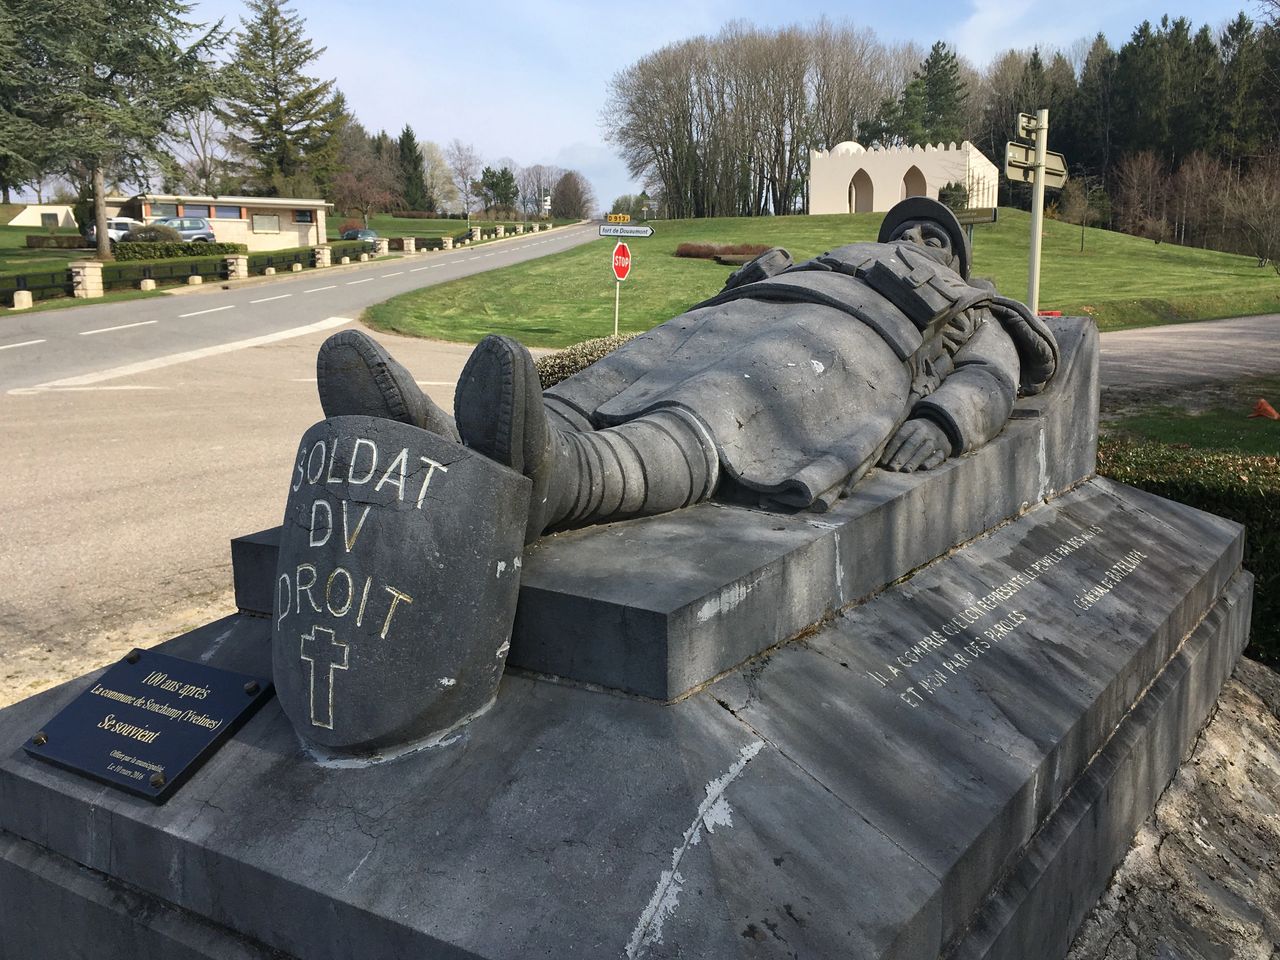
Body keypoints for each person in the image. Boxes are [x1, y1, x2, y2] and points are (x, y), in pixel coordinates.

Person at [316, 198, 1058, 544]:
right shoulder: (834, 253)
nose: (920, 238)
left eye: (936, 237)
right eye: (909, 230)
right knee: (631, 367)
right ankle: (447, 449)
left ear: (958, 262)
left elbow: (991, 375)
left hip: (848, 345)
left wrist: (943, 419)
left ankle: (565, 481)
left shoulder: (976, 306)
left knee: (723, 402)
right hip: (754, 304)